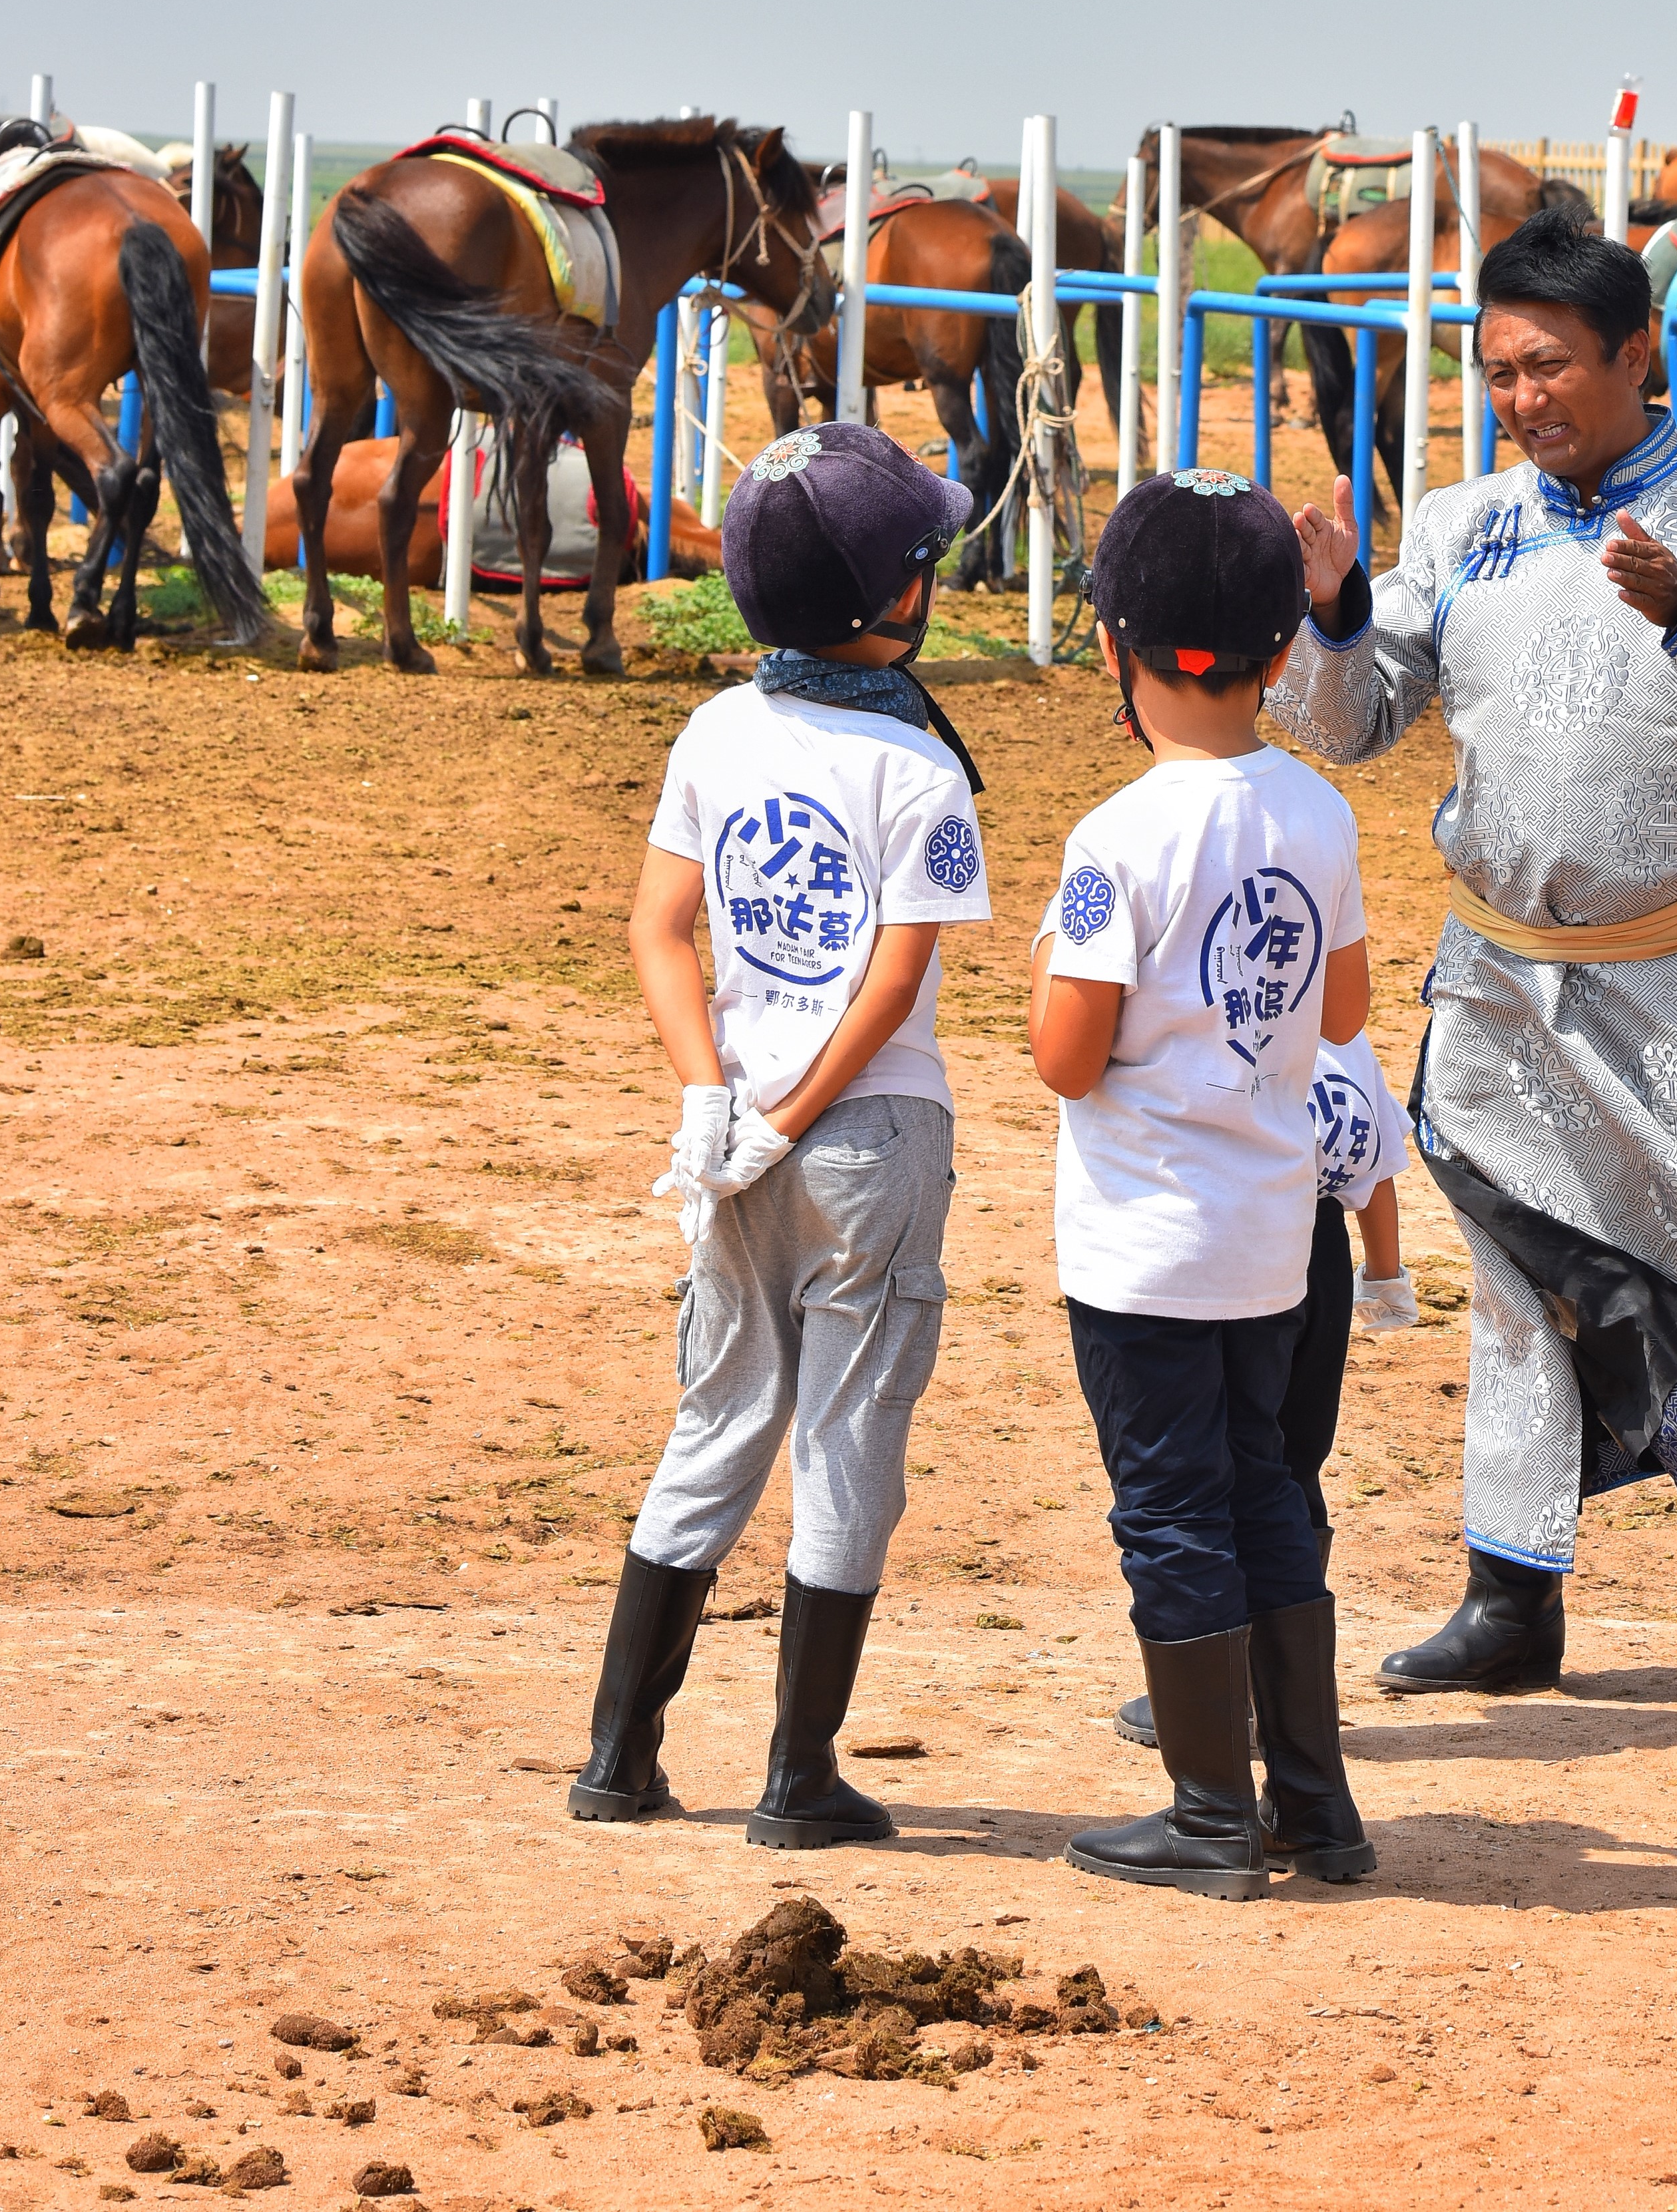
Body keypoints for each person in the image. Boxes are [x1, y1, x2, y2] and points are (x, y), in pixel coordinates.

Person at [1274, 208, 1677, 1725]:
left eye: (1552, 366)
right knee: (1528, 1287)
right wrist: (1334, 606)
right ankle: (1510, 1591)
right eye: (1501, 371)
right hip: (1503, 986)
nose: (1525, 397)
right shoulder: (1460, 527)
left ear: (1636, 355)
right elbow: (1344, 721)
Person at [570, 422, 991, 1851]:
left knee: (715, 1419)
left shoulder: (715, 727)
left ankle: (616, 1756)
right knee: (847, 1433)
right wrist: (795, 1115)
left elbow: (658, 929)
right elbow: (891, 980)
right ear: (895, 598)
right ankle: (798, 1777)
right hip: (866, 1137)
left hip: (734, 1127)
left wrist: (713, 1100)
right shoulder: (918, 770)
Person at [1033, 468, 1377, 1900]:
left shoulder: (1117, 837)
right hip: (1268, 1235)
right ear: (1284, 650)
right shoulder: (1317, 811)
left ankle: (1206, 1812)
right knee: (1265, 1496)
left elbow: (1066, 1058)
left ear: (1118, 645)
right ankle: (1312, 1804)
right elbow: (1346, 1009)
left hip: (1144, 1247)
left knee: (1168, 1512)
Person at [1111, 1027, 1417, 1748]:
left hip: (1235, 1241)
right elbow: (1374, 1161)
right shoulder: (1338, 1032)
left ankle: (1223, 1684)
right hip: (1320, 1247)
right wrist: (1384, 1272)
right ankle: (1282, 1690)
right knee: (1291, 1461)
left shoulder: (1212, 1020)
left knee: (1217, 1460)